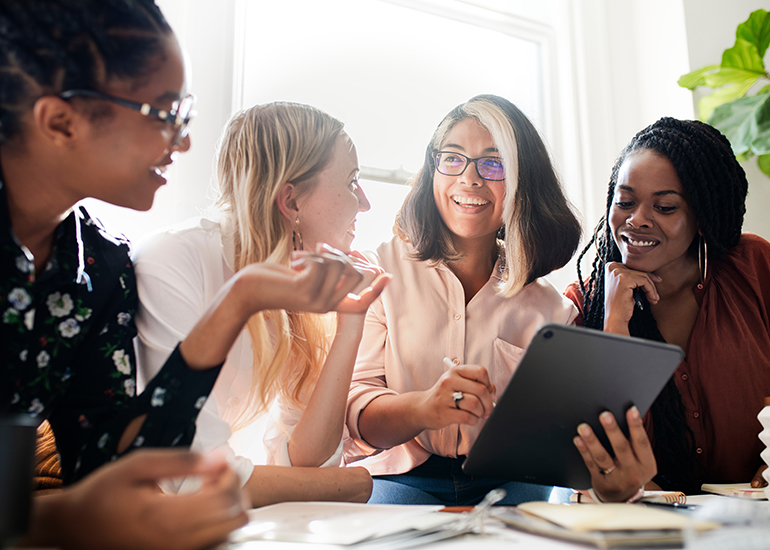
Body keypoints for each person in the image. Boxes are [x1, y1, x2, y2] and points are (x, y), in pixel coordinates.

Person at [0, 0, 372, 546]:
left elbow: (117, 458)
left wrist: (239, 300)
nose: (186, 141)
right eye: (164, 113)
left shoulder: (100, 264)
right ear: (61, 121)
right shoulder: (155, 259)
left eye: (187, 115)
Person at [135, 102, 390, 507]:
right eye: (352, 181)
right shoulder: (173, 262)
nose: (364, 203)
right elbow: (189, 477)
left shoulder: (296, 287)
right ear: (291, 202)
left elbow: (308, 462)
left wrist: (351, 325)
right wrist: (350, 485)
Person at [344, 94, 582, 505]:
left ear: (524, 182)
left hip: (512, 482)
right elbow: (358, 415)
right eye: (452, 159)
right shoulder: (380, 272)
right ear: (432, 170)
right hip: (401, 478)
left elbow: (561, 438)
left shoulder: (552, 311)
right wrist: (423, 409)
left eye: (494, 164)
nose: (470, 180)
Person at [566, 117, 770, 501]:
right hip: (649, 527)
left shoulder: (755, 268)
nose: (636, 219)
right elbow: (591, 453)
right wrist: (615, 323)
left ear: (703, 213)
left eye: (665, 206)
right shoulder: (583, 305)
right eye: (624, 202)